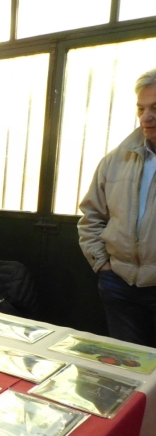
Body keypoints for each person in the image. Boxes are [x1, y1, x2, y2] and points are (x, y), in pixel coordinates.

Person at [78, 68, 156, 348]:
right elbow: (91, 216)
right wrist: (102, 264)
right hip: (119, 283)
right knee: (130, 369)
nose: (146, 117)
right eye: (141, 108)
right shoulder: (116, 160)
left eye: (155, 108)